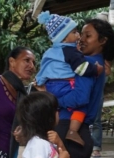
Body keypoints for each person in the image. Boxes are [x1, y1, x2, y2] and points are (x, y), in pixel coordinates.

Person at [54, 18, 114, 158]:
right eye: (81, 34)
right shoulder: (98, 63)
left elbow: (79, 99)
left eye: (88, 35)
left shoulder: (88, 66)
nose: (81, 39)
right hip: (79, 132)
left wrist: (51, 100)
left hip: (70, 131)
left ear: (102, 41)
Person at [35, 11, 103, 146]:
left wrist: (41, 84)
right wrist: (96, 69)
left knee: (56, 110)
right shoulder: (70, 52)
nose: (78, 36)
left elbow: (43, 68)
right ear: (64, 38)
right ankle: (73, 131)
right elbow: (81, 69)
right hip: (65, 84)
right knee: (81, 107)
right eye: (75, 32)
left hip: (50, 86)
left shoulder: (50, 52)